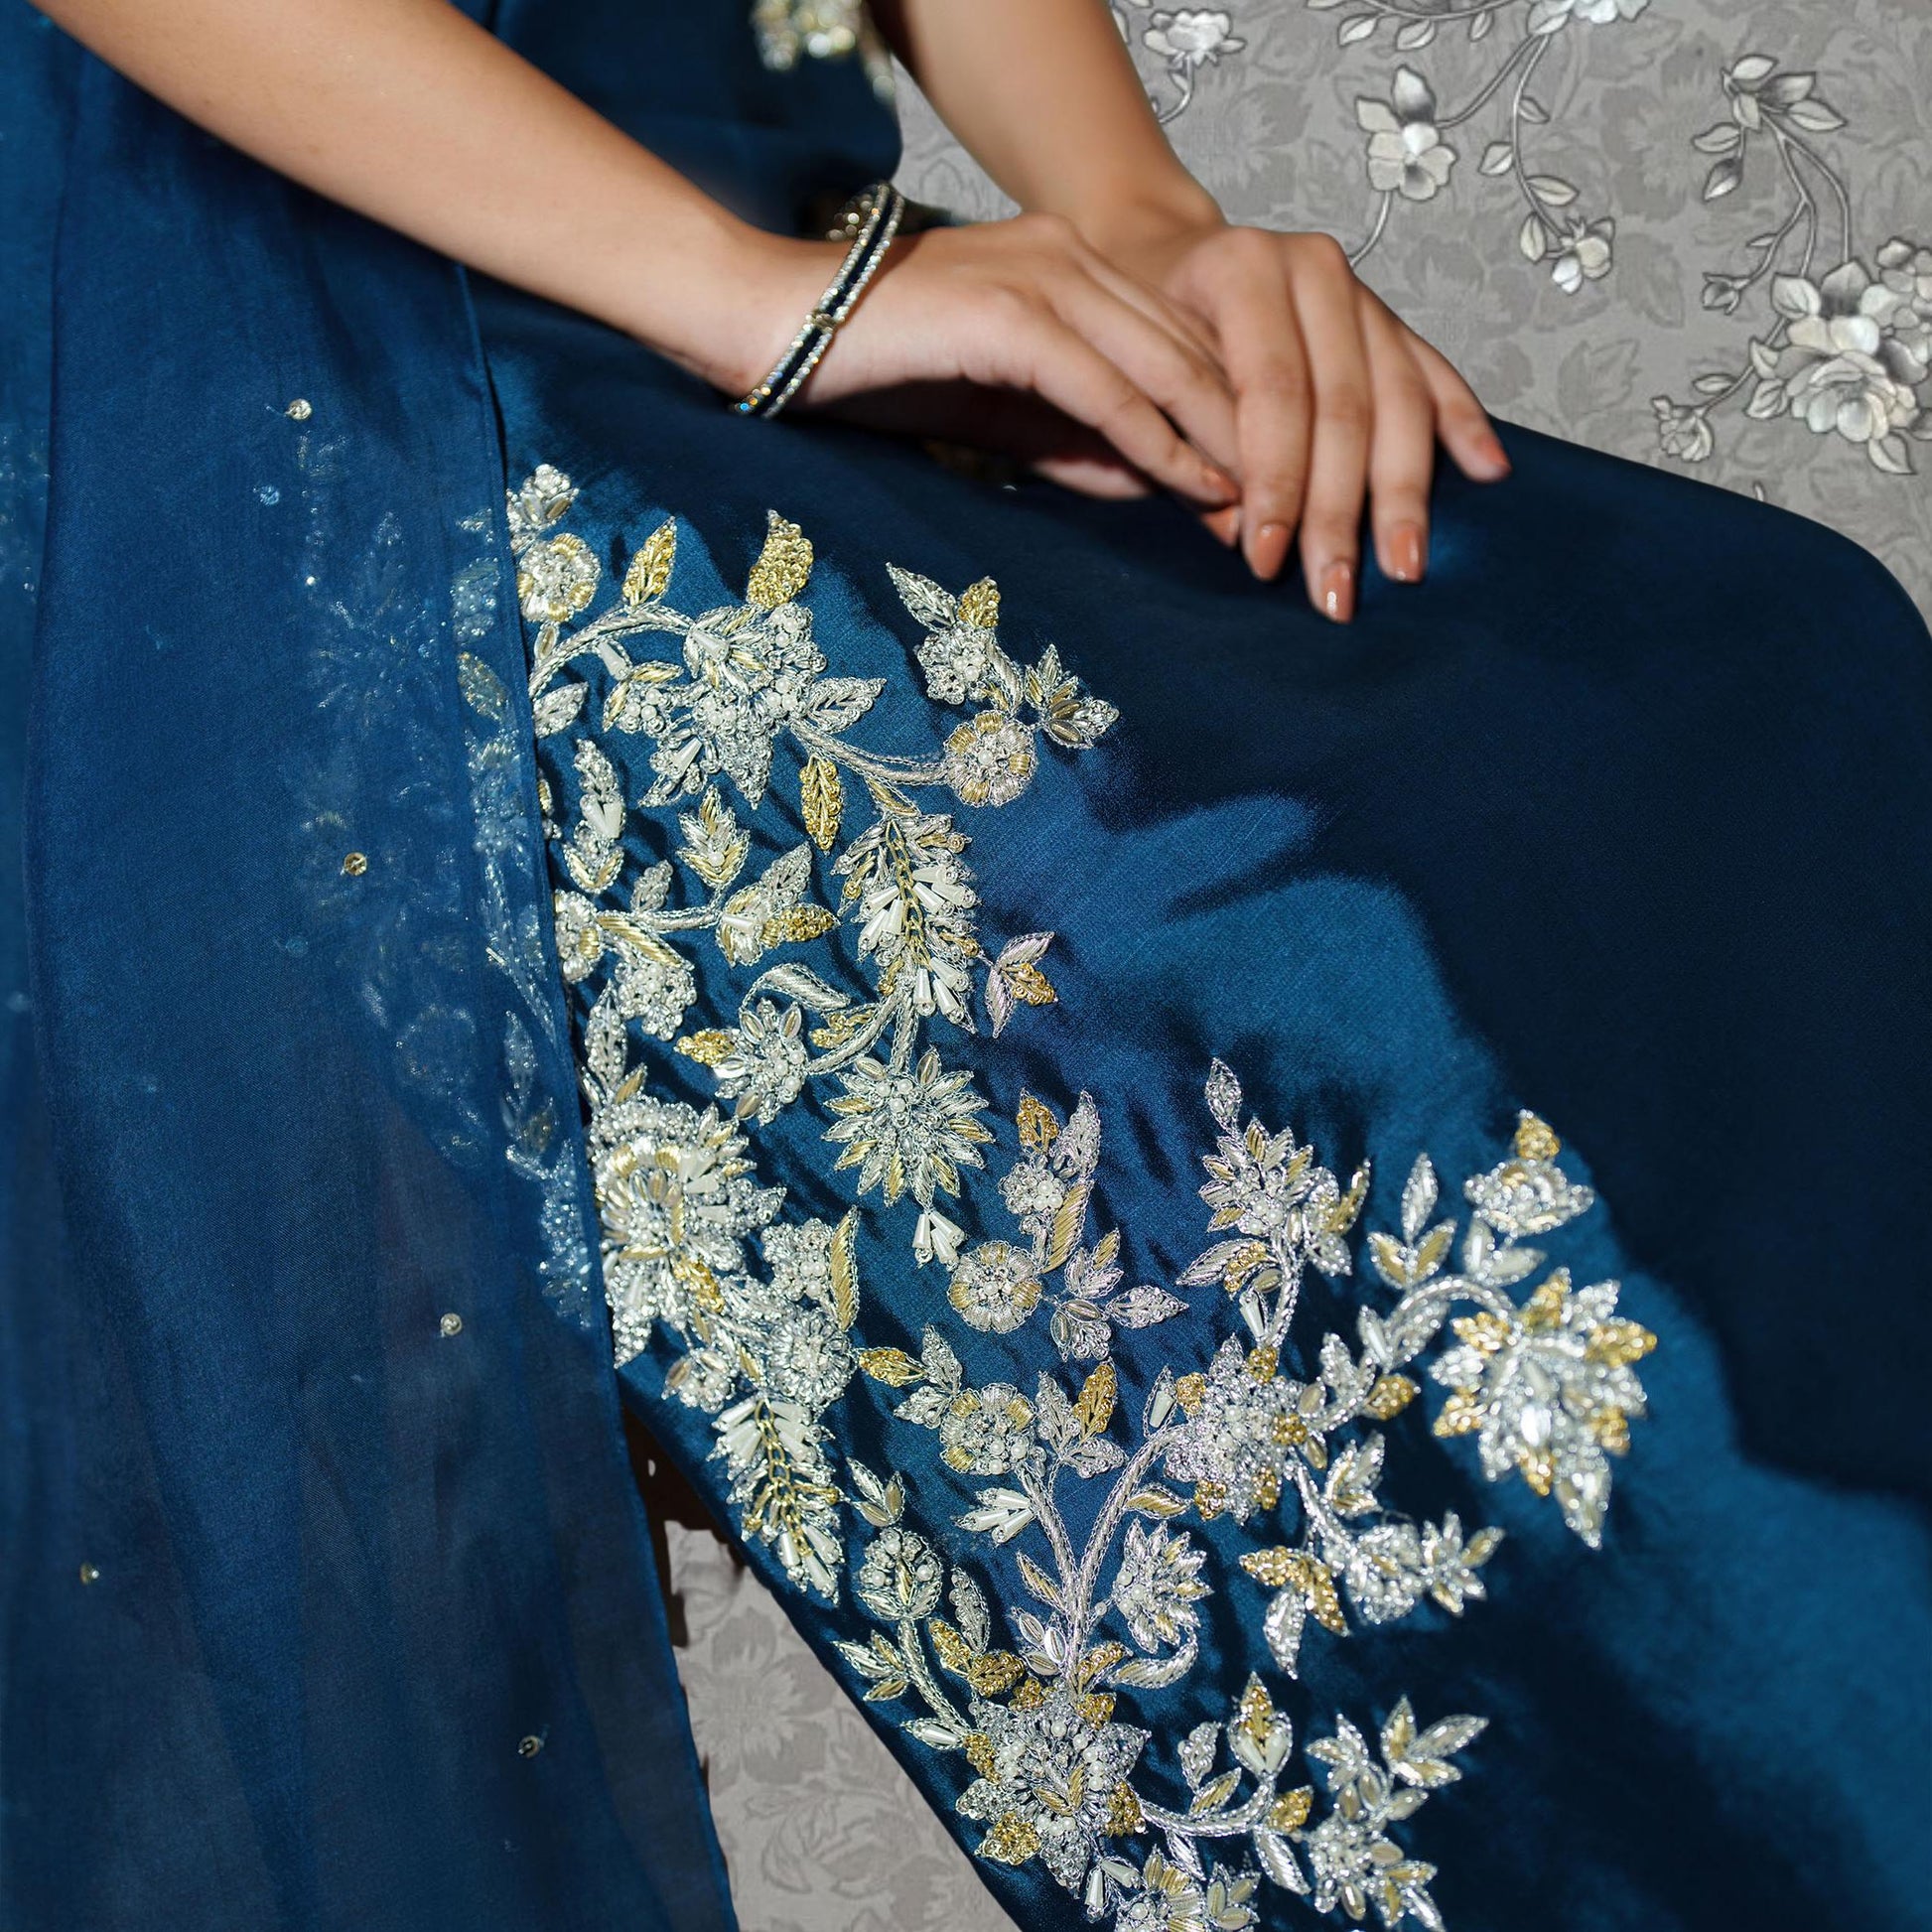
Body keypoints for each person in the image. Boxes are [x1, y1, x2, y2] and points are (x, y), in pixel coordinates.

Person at [2, 3, 1924, 1929]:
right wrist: (764, 308)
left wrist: (1135, 216)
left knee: (1731, 669)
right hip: (275, 341)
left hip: (751, 230)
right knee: (1251, 935)